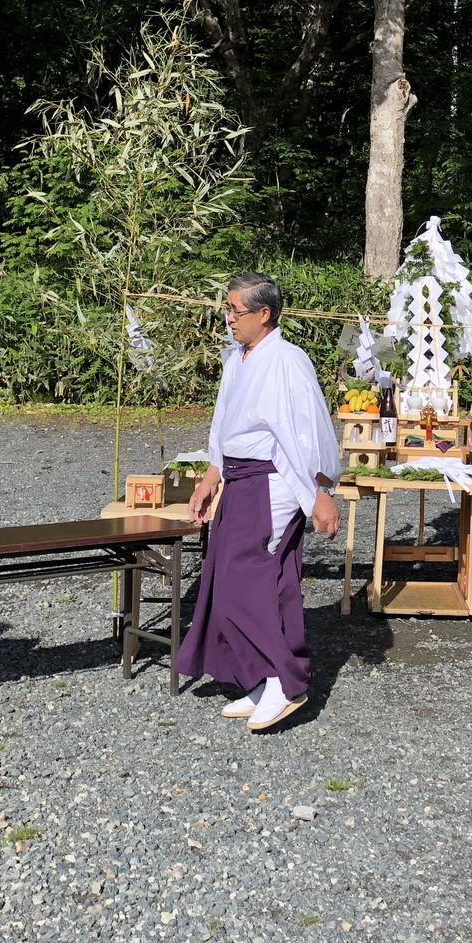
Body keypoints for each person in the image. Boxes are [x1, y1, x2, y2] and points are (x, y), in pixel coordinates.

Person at [175, 273, 341, 732]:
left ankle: (286, 682)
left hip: (275, 481)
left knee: (249, 580)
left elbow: (306, 433)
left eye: (236, 311)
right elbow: (223, 424)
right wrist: (212, 475)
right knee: (233, 579)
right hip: (240, 478)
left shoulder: (288, 361)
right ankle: (261, 677)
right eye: (226, 309)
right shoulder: (238, 359)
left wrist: (320, 494)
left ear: (264, 314)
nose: (228, 319)